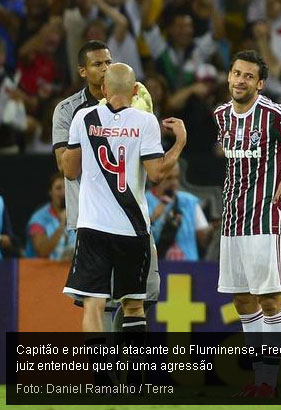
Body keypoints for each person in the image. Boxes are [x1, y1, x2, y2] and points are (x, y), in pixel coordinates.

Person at [61, 63, 186, 384]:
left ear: (103, 90)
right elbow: (157, 174)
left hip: (92, 227)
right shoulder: (145, 122)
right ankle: (138, 381)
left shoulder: (82, 118)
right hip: (132, 229)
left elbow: (70, 170)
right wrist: (179, 143)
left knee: (93, 304)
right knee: (134, 306)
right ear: (134, 91)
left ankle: (103, 381)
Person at [52, 40, 160, 331]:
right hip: (91, 217)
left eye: (108, 62)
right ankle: (108, 372)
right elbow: (68, 169)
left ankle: (121, 371)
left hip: (131, 216)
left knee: (136, 299)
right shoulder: (69, 111)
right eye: (97, 64)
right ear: (83, 71)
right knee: (102, 301)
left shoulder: (136, 105)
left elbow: (146, 155)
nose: (105, 68)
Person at [214, 50, 281, 397]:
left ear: (260, 84)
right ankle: (261, 379)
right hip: (232, 221)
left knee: (272, 300)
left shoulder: (278, 116)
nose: (240, 81)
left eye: (248, 76)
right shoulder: (221, 116)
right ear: (228, 77)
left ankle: (270, 382)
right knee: (243, 301)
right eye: (236, 74)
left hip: (267, 219)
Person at [146, 162, 212, 261]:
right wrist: (153, 218)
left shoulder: (189, 202)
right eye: (169, 178)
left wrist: (212, 229)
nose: (174, 183)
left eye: (177, 178)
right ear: (155, 178)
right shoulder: (143, 202)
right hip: (157, 269)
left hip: (188, 270)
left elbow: (204, 240)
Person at [26, 173, 76, 260]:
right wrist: (62, 225)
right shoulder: (38, 219)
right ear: (50, 192)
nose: (63, 192)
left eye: (66, 187)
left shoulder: (79, 214)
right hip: (41, 272)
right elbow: (42, 251)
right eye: (58, 188)